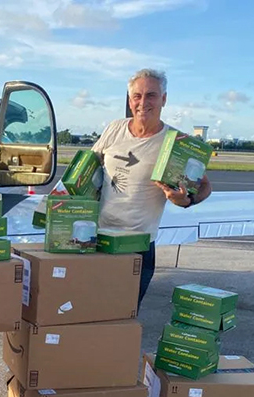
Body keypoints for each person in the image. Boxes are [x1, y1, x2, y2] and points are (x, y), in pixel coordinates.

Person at [92, 68, 212, 311]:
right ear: (129, 100)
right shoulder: (114, 129)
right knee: (91, 316)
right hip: (98, 240)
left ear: (164, 99)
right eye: (137, 96)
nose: (143, 102)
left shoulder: (177, 143)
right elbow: (88, 171)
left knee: (121, 318)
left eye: (151, 95)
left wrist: (185, 200)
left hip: (138, 246)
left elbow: (205, 187)